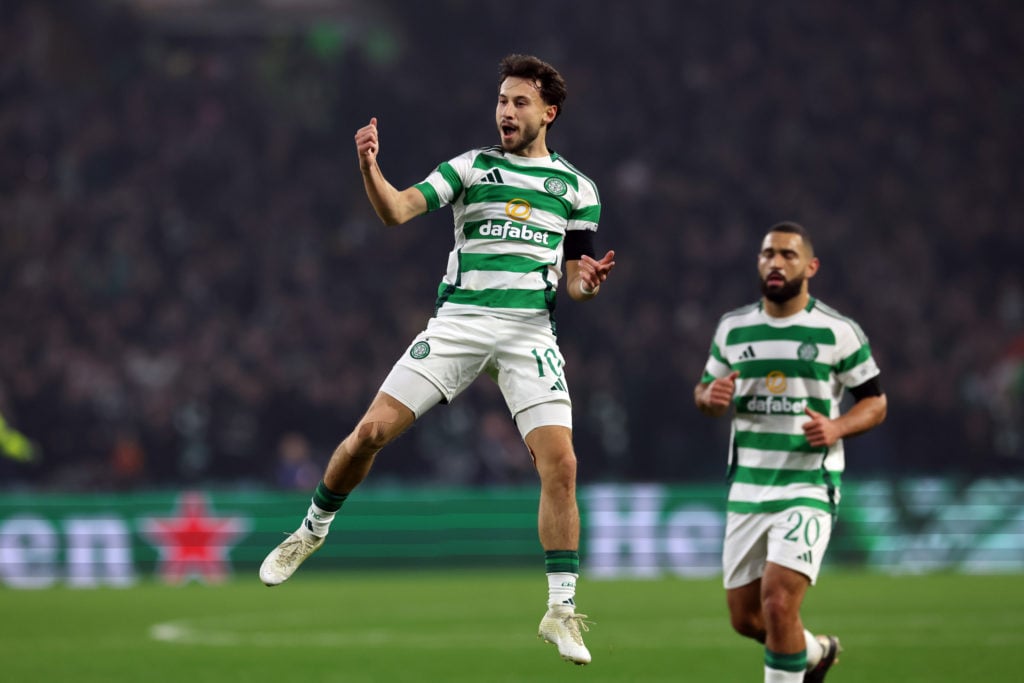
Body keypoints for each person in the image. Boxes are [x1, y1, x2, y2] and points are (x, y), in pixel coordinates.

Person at [259, 53, 615, 666]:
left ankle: (560, 610)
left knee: (562, 466)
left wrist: (587, 282)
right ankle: (309, 531)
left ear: (548, 113)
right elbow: (397, 210)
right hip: (459, 323)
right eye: (502, 100)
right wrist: (370, 167)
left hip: (530, 330)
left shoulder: (578, 189)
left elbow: (576, 282)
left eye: (519, 102)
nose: (506, 111)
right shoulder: (472, 167)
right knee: (370, 432)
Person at [693, 222, 887, 682]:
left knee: (779, 603)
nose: (775, 263)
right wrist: (709, 399)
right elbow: (704, 390)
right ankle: (817, 652)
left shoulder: (838, 332)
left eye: (787, 255)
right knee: (746, 619)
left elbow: (875, 402)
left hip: (808, 486)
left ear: (810, 266)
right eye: (767, 254)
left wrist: (838, 425)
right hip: (747, 487)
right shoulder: (734, 328)